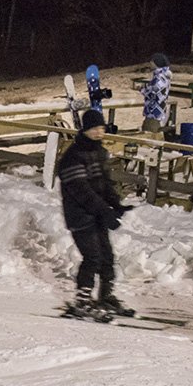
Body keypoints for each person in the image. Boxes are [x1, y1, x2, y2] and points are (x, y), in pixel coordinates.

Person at [56, 108, 133, 316]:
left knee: (107, 256)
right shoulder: (72, 157)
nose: (99, 133)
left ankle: (106, 296)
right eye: (95, 129)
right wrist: (105, 211)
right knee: (92, 257)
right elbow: (82, 191)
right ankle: (82, 300)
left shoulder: (98, 152)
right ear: (85, 130)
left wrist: (115, 204)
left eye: (102, 128)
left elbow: (104, 183)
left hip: (97, 214)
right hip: (79, 215)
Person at [140, 53, 172, 134]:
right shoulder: (164, 75)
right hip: (159, 112)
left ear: (157, 63)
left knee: (149, 138)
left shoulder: (159, 77)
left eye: (152, 61)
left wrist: (142, 89)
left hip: (154, 114)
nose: (150, 63)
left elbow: (152, 91)